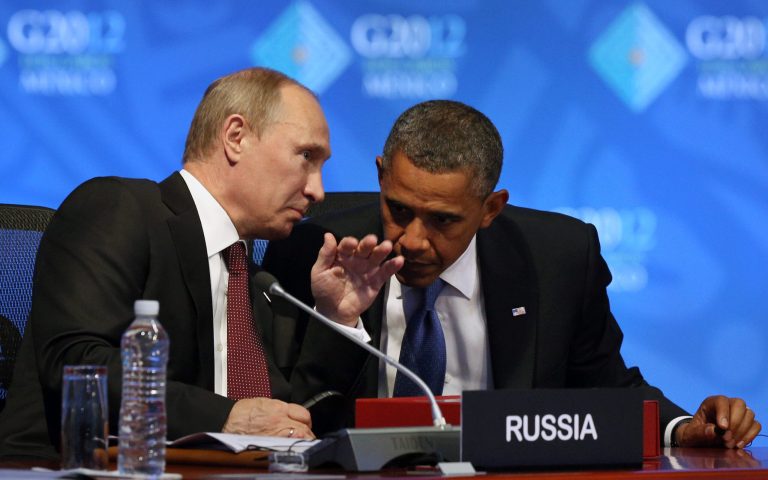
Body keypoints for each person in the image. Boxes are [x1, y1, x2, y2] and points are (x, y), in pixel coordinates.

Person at [263, 100, 762, 448]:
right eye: (398, 208)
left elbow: (605, 389)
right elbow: (281, 408)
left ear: (490, 209)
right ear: (380, 176)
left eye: (443, 220)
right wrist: (341, 323)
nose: (413, 239)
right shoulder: (312, 248)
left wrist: (682, 428)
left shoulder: (559, 258)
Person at [0, 67, 400, 459]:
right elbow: (79, 365)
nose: (318, 190)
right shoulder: (118, 209)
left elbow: (292, 418)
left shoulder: (258, 281)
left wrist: (336, 318)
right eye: (306, 156)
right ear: (236, 137)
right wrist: (225, 417)